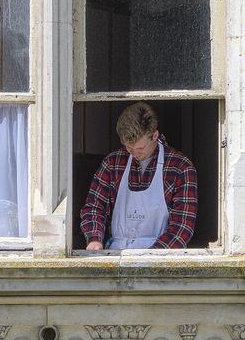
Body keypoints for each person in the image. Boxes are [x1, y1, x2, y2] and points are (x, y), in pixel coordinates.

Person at [80, 102, 198, 250]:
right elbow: (94, 207)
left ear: (155, 135)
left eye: (140, 148)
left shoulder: (180, 166)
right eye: (129, 147)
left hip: (160, 257)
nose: (134, 153)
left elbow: (182, 226)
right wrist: (94, 239)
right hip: (116, 254)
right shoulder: (112, 163)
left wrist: (152, 257)